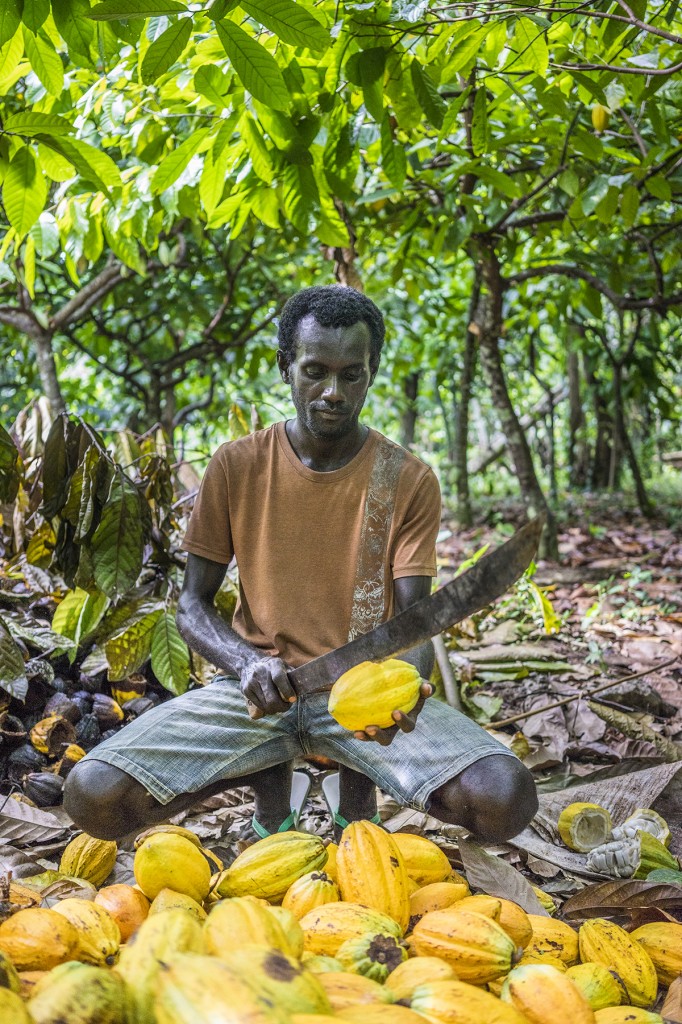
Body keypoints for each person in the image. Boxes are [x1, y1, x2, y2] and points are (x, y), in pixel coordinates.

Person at [64, 286, 537, 843]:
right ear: (285, 366)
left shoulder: (407, 479)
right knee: (92, 793)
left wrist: (405, 692)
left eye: (351, 375)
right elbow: (191, 603)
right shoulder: (236, 465)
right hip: (255, 691)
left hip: (360, 696)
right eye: (315, 371)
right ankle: (271, 798)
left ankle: (355, 804)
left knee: (504, 798)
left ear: (372, 372)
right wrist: (244, 664)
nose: (333, 392)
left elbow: (416, 621)